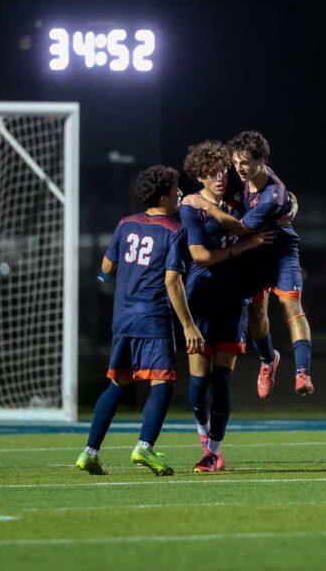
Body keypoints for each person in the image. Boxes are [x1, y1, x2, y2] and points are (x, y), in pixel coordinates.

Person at [75, 165, 204, 476]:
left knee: (118, 383)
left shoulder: (125, 224)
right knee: (162, 383)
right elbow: (173, 281)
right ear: (162, 196)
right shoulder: (175, 231)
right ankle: (144, 447)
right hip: (152, 317)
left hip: (123, 319)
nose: (179, 193)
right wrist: (189, 325)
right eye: (175, 189)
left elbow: (107, 266)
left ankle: (89, 452)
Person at [182, 130, 314, 400]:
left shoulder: (272, 196)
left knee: (291, 304)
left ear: (261, 161)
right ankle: (268, 360)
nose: (238, 168)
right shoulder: (236, 178)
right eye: (236, 162)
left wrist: (206, 206)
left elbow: (242, 228)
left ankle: (303, 373)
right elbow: (213, 185)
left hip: (279, 248)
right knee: (255, 313)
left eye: (245, 163)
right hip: (253, 252)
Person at [180, 141, 275, 472]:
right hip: (201, 299)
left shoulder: (239, 198)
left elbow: (274, 194)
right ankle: (203, 438)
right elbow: (201, 257)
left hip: (234, 298)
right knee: (197, 383)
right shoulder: (191, 207)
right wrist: (247, 245)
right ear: (199, 177)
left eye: (223, 170)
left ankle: (212, 452)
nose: (220, 176)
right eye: (211, 172)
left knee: (222, 380)